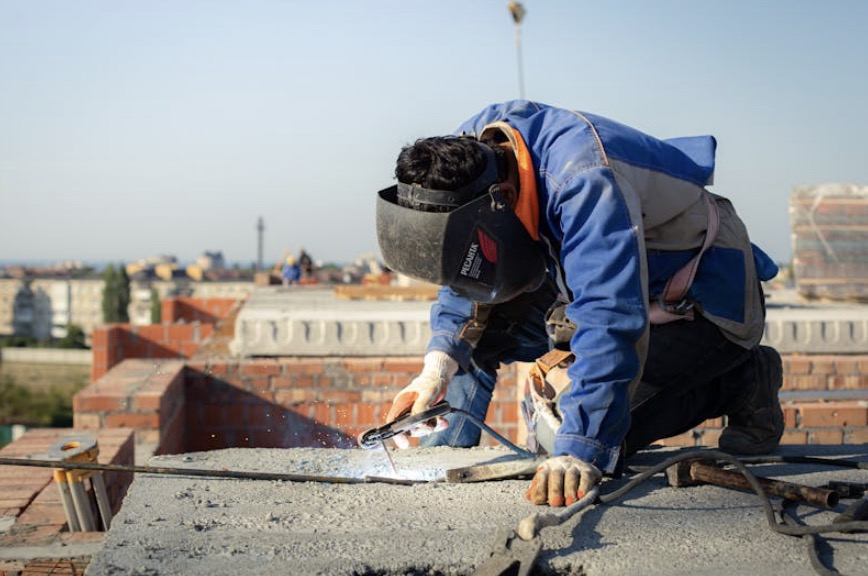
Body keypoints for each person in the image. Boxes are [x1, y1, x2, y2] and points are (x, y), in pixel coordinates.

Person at [375, 100, 783, 508]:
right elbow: (467, 272)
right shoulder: (473, 152)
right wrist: (437, 368)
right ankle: (442, 452)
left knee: (586, 437)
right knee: (475, 343)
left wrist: (579, 450)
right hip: (603, 286)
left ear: (500, 198)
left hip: (702, 301)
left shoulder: (584, 180)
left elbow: (610, 316)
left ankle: (743, 382)